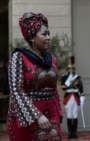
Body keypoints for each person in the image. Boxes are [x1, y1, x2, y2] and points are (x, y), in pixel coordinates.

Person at [5, 12, 62, 141]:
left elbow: (54, 89)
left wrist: (58, 113)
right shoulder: (18, 57)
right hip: (27, 117)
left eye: (49, 34)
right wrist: (37, 116)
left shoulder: (51, 58)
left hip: (51, 115)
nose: (48, 37)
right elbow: (16, 91)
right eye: (44, 34)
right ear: (31, 37)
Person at [61, 64, 84, 139]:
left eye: (72, 69)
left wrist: (82, 98)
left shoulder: (78, 77)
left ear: (74, 70)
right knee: (69, 115)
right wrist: (69, 82)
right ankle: (70, 133)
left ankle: (74, 133)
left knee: (75, 114)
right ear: (67, 70)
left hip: (76, 96)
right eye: (69, 69)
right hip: (68, 97)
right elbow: (63, 88)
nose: (71, 70)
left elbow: (81, 89)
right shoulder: (64, 77)